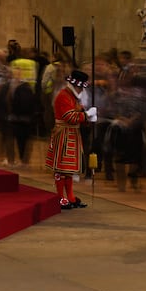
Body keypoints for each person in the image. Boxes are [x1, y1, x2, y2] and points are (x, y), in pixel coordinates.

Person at [45, 70, 97, 209]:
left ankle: (70, 196)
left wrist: (88, 116)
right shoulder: (64, 96)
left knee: (68, 170)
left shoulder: (72, 97)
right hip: (63, 135)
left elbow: (77, 113)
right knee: (61, 168)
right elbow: (70, 117)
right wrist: (86, 115)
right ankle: (60, 197)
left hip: (72, 134)